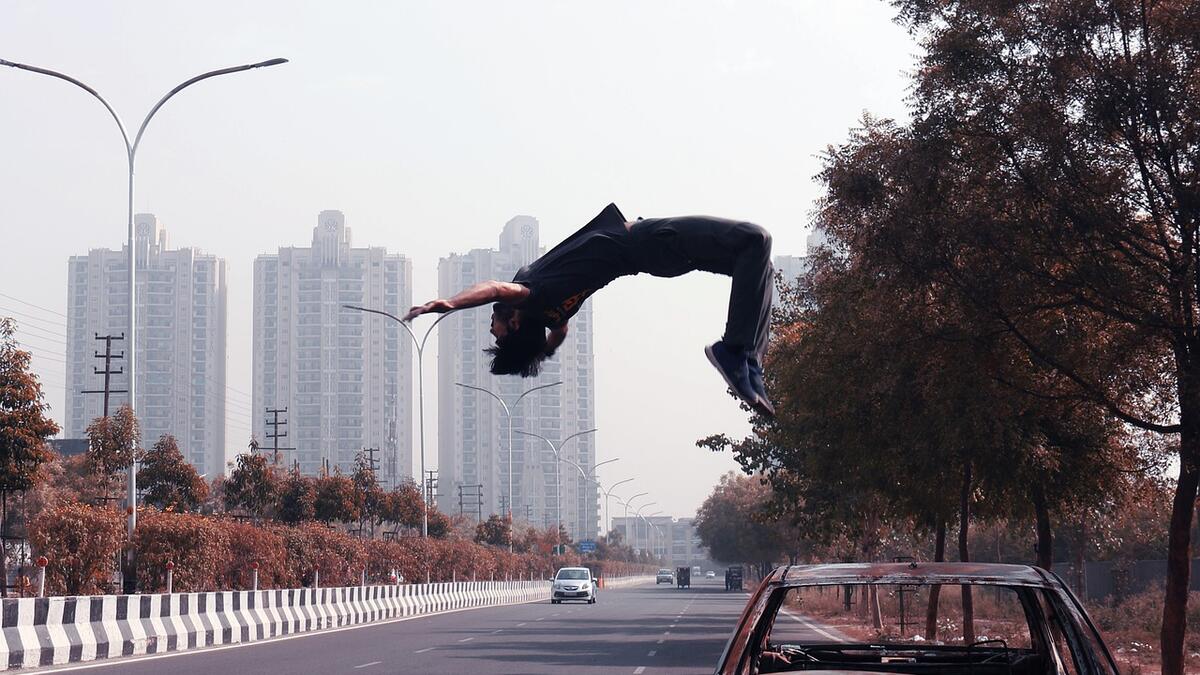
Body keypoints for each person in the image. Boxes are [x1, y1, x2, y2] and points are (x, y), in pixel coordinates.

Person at [404, 203, 775, 417]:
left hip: (655, 257)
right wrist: (451, 303)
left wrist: (541, 351)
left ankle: (749, 360)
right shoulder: (533, 297)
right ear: (515, 321)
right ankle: (733, 349)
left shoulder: (554, 315)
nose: (490, 325)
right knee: (756, 240)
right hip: (650, 242)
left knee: (759, 264)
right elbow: (494, 289)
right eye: (496, 329)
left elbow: (558, 334)